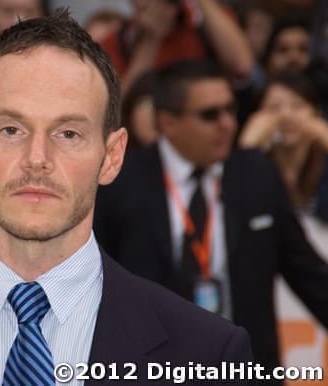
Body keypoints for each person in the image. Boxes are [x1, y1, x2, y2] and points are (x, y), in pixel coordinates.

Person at [0, 11, 252, 386]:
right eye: (10, 130)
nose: (37, 160)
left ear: (112, 157)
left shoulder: (207, 353)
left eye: (68, 134)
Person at [95, 61, 328, 382]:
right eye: (210, 115)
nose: (228, 124)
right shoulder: (121, 182)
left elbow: (309, 274)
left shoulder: (255, 175)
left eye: (231, 110)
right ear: (168, 122)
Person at [100, 0, 254, 93]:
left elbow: (242, 65)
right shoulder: (117, 41)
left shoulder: (203, 25)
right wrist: (150, 41)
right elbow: (116, 110)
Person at [239, 73, 328, 210]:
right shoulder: (255, 167)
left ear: (316, 112)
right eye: (274, 107)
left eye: (297, 106)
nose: (286, 115)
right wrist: (247, 145)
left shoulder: (324, 164)